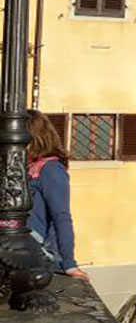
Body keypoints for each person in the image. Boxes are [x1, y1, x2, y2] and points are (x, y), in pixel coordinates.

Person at [26, 110, 85, 279]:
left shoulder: (51, 170)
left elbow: (62, 216)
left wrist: (69, 264)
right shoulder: (22, 167)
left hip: (34, 248)